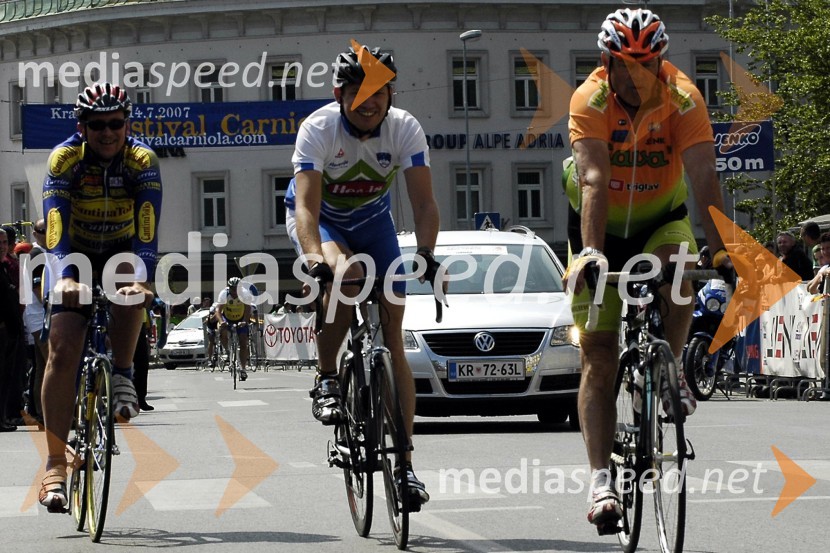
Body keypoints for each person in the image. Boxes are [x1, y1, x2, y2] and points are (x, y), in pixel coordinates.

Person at [563, 8, 730, 533]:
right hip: (600, 228)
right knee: (599, 357)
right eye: (626, 66)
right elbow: (592, 179)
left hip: (662, 219)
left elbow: (704, 175)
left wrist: (723, 252)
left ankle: (673, 367)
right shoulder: (588, 99)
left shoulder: (683, 96)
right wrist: (592, 254)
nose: (638, 77)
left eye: (648, 65)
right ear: (606, 61)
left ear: (660, 61)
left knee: (679, 267)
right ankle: (600, 482)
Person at [284, 45, 441, 508]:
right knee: (347, 277)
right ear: (340, 94)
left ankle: (406, 465)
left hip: (373, 223)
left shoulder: (405, 128)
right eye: (358, 93)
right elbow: (307, 210)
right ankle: (328, 376)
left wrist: (428, 253)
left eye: (379, 93)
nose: (369, 102)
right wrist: (316, 260)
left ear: (390, 93)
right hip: (322, 221)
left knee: (394, 337)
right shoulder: (318, 129)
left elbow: (425, 204)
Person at [38, 82, 162, 512]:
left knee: (132, 282)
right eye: (98, 125)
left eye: (116, 124)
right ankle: (55, 463)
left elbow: (148, 229)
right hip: (73, 251)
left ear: (127, 123)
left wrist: (143, 279)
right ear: (82, 126)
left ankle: (124, 373)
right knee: (62, 348)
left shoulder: (142, 160)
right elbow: (54, 228)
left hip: (123, 248)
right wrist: (65, 277)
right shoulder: (64, 160)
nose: (108, 133)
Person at [0, 227, 24, 432]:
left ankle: (3, 417)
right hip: (2, 329)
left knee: (6, 376)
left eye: (4, 243)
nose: (2, 247)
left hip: (8, 331)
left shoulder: (5, 268)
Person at [216, 277, 250, 381]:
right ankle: (227, 351)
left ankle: (243, 369)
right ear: (229, 288)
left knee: (243, 342)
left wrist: (245, 321)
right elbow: (218, 310)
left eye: (237, 289)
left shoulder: (245, 294)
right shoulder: (224, 294)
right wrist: (221, 321)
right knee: (223, 331)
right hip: (228, 318)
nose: (235, 292)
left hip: (240, 318)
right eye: (232, 289)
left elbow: (248, 309)